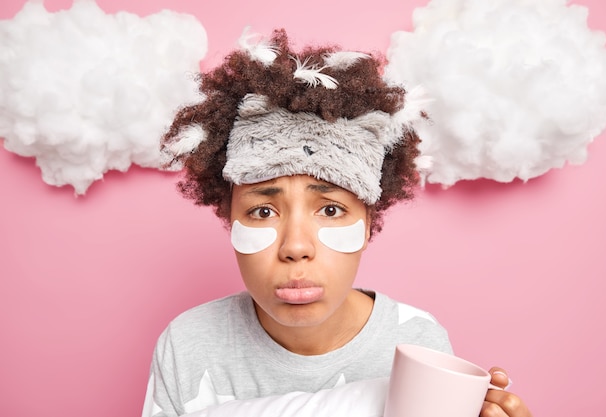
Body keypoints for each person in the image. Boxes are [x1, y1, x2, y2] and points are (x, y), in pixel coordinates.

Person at [142, 28, 533, 417]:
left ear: (367, 223)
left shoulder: (416, 342)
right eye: (263, 212)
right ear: (230, 220)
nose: (296, 247)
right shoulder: (187, 345)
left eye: (330, 210)